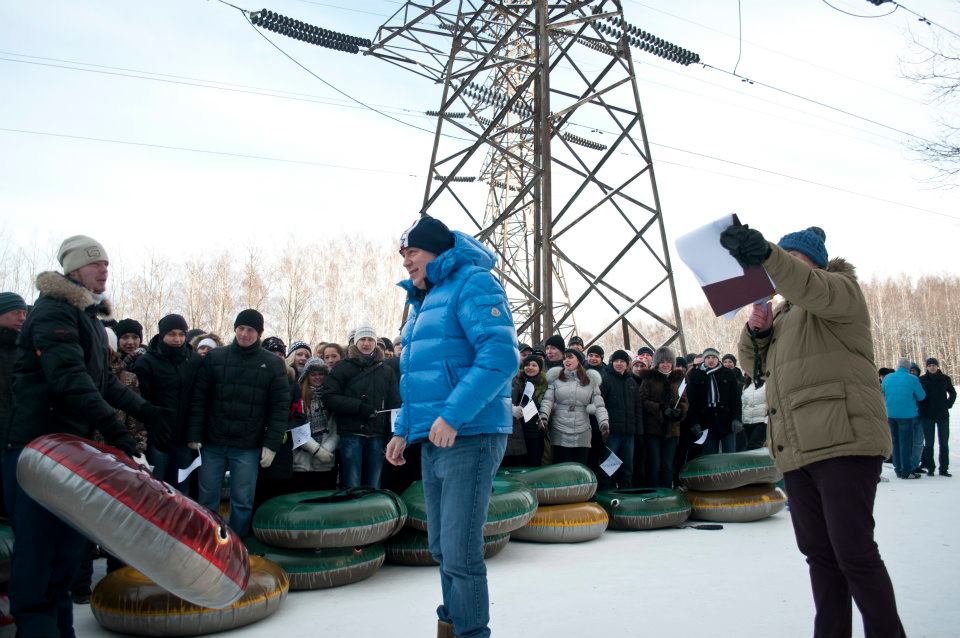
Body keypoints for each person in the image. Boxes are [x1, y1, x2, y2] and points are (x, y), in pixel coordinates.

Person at [725, 223, 905, 637]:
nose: (782, 271)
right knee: (819, 555)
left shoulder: (840, 292)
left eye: (793, 260)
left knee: (854, 552)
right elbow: (755, 368)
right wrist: (759, 329)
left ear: (813, 264)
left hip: (842, 440)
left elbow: (806, 283)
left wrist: (770, 254)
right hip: (797, 448)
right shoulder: (786, 315)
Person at [3, 235, 168, 637]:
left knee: (64, 554)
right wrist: (114, 430)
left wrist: (146, 411)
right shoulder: (53, 312)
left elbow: (103, 381)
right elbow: (69, 381)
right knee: (40, 554)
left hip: (69, 451)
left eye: (107, 264)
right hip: (36, 449)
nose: (104, 270)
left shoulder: (90, 319)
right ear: (73, 269)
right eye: (96, 264)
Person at [384, 215, 517, 638]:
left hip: (471, 433)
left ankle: (471, 632)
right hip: (436, 435)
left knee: (460, 550)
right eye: (402, 253)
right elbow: (416, 377)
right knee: (442, 546)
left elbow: (500, 356)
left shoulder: (472, 283)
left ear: (437, 252)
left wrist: (453, 415)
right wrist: (403, 428)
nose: (406, 261)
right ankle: (452, 623)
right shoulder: (426, 300)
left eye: (413, 252)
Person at [187, 309, 289, 538]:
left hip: (247, 445)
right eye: (241, 328)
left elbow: (279, 408)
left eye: (250, 330)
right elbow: (199, 399)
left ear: (259, 333)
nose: (244, 334)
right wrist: (195, 434)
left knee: (242, 501)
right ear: (235, 329)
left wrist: (271, 444)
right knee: (207, 499)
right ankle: (207, 541)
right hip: (213, 442)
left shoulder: (272, 364)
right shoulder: (216, 358)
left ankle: (237, 543)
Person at [321, 324, 400, 489]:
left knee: (374, 485)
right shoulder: (342, 367)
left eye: (370, 339)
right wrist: (358, 406)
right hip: (351, 434)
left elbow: (395, 405)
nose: (366, 343)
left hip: (377, 435)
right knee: (352, 485)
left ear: (375, 342)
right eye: (362, 339)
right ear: (356, 342)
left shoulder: (386, 371)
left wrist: (392, 434)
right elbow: (329, 397)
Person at [540, 348, 608, 465]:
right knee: (561, 469)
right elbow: (548, 400)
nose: (567, 360)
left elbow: (599, 405)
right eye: (565, 357)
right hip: (559, 430)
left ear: (579, 361)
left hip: (583, 431)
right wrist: (544, 417)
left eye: (570, 357)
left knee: (579, 469)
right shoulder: (556, 379)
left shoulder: (590, 380)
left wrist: (604, 423)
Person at [254, 336, 300, 509]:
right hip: (256, 443)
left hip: (283, 446)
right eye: (272, 352)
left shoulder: (292, 383)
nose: (277, 357)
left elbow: (299, 416)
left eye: (280, 353)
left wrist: (282, 429)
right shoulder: (255, 378)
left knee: (279, 495)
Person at [639, 347, 687, 488]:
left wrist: (679, 410)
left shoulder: (678, 379)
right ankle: (654, 493)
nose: (665, 365)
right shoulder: (649, 378)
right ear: (657, 363)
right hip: (654, 429)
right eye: (662, 362)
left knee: (667, 465)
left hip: (672, 430)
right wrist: (661, 409)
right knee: (655, 464)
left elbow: (684, 400)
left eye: (668, 361)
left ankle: (667, 493)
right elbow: (642, 400)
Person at [686, 347, 742, 455]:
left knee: (730, 454)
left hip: (727, 421)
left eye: (714, 357)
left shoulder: (728, 373)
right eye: (708, 357)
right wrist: (694, 422)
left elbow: (736, 399)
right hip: (706, 423)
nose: (711, 360)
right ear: (704, 359)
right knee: (709, 456)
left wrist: (737, 419)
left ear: (718, 359)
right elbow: (692, 402)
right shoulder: (695, 375)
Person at [599, 349, 643, 489]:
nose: (619, 364)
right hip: (612, 433)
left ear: (627, 364)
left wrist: (639, 431)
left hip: (629, 433)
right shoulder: (605, 379)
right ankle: (607, 493)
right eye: (616, 361)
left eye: (622, 361)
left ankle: (626, 494)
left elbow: (638, 409)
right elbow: (601, 405)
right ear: (612, 362)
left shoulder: (631, 382)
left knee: (627, 467)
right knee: (609, 467)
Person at [294, 357, 338, 490]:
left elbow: (337, 429)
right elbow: (296, 428)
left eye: (321, 374)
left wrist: (325, 450)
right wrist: (316, 450)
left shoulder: (332, 398)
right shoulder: (298, 398)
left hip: (326, 460)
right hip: (302, 462)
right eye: (313, 374)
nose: (317, 377)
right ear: (307, 376)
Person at [882, 357, 926, 479]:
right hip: (907, 416)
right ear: (908, 367)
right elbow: (921, 396)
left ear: (898, 366)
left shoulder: (887, 378)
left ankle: (897, 469)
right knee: (906, 444)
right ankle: (906, 471)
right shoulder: (913, 379)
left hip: (891, 415)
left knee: (895, 442)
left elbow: (882, 392)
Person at [508, 355, 548, 467]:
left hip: (536, 431)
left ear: (540, 368)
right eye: (527, 365)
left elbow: (548, 404)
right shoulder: (517, 381)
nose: (529, 367)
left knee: (535, 463)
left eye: (534, 365)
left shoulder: (545, 384)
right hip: (519, 432)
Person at [918, 357, 956, 477]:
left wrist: (948, 404)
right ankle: (930, 468)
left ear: (938, 366)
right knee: (929, 444)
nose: (932, 367)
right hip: (927, 416)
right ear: (926, 367)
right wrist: (922, 408)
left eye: (934, 365)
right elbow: (917, 396)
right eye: (930, 365)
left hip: (942, 415)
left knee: (944, 443)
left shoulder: (945, 378)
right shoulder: (922, 379)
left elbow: (953, 393)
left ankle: (943, 469)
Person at [0, 292, 27, 447]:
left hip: (15, 434)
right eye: (16, 312)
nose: (22, 318)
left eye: (24, 313)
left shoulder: (25, 349)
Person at [740, 375, 769, 451]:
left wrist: (767, 418)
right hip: (747, 422)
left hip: (761, 421)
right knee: (748, 447)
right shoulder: (746, 386)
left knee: (754, 445)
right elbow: (743, 404)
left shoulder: (767, 383)